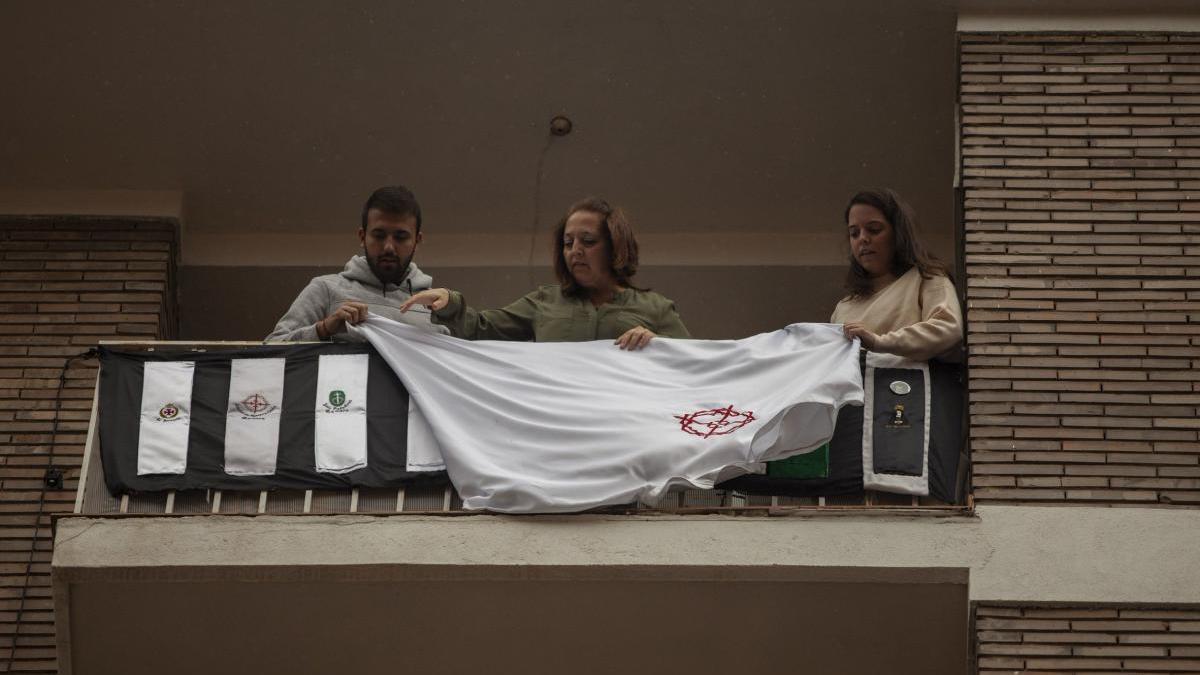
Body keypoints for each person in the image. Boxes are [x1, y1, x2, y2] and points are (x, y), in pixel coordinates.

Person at [400, 197, 689, 350]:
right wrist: (449, 300)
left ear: (616, 246)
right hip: (558, 433)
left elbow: (698, 368)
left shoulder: (657, 309)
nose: (575, 250)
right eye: (567, 243)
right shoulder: (543, 302)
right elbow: (481, 329)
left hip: (629, 433)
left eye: (588, 242)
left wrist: (657, 344)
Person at [265, 185, 448, 342]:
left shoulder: (439, 306)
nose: (389, 247)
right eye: (379, 235)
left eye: (401, 237)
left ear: (417, 240)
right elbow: (271, 350)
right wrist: (324, 329)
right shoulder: (325, 290)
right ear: (362, 237)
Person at [833, 188, 963, 362]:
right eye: (854, 233)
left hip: (909, 386)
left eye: (874, 229)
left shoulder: (927, 278)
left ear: (898, 233)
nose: (862, 238)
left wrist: (879, 342)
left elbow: (949, 329)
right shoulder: (843, 307)